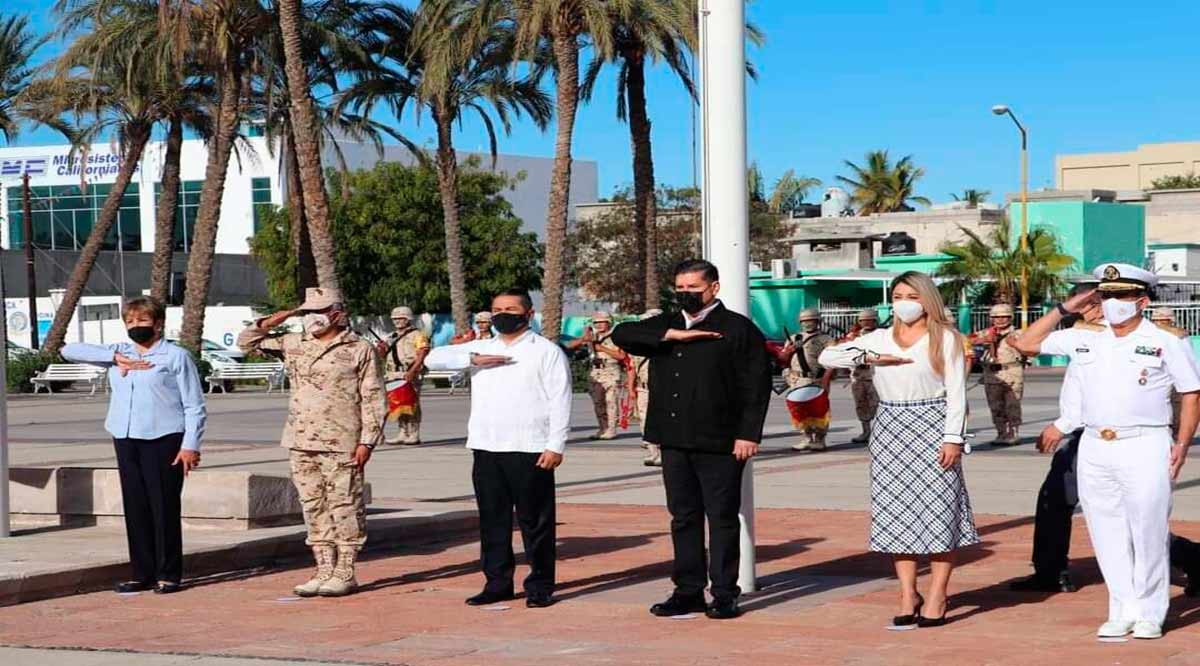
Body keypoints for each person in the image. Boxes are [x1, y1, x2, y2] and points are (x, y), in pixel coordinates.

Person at [1010, 263, 1200, 640]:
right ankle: (1122, 609)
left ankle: (1150, 612)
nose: (1113, 302)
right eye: (1107, 295)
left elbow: (1191, 394)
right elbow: (1025, 342)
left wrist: (1181, 444)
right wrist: (1066, 308)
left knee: (1147, 531)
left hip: (1145, 443)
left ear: (1142, 301)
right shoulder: (1086, 337)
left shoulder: (1165, 340)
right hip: (1096, 445)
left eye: (1122, 295)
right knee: (1106, 531)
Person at [611, 259, 772, 620]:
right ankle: (688, 591)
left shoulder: (737, 328)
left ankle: (725, 593)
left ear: (714, 288)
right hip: (674, 438)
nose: (685, 294)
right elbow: (622, 334)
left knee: (722, 518)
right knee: (683, 517)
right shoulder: (666, 323)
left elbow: (756, 385)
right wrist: (673, 336)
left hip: (721, 441)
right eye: (680, 288)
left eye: (693, 289)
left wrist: (748, 434)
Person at [819, 271, 978, 628]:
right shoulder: (878, 338)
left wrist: (953, 438)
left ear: (927, 300)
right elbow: (828, 356)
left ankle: (937, 594)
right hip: (890, 425)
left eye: (912, 296)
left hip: (933, 423)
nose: (904, 303)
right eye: (898, 296)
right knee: (896, 512)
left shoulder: (946, 338)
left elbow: (957, 393)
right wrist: (869, 357)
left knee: (940, 510)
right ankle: (908, 593)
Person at [424, 289, 572, 608]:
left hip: (531, 448)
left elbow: (561, 400)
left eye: (510, 309)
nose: (503, 314)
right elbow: (432, 358)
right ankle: (497, 583)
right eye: (497, 309)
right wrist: (471, 359)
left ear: (529, 314)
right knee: (493, 520)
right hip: (487, 446)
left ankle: (540, 585)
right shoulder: (482, 347)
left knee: (536, 522)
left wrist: (555, 445)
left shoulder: (546, 351)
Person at [238, 288, 387, 598]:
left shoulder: (359, 348)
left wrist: (368, 442)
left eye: (318, 311)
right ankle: (323, 568)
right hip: (301, 439)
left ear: (336, 313)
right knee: (312, 505)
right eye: (307, 312)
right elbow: (246, 341)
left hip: (342, 440)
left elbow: (373, 397)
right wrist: (286, 315)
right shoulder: (294, 343)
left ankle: (345, 570)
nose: (311, 318)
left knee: (345, 505)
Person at [62, 296, 206, 595]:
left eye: (142, 320)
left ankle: (168, 574)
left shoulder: (175, 356)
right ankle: (142, 573)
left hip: (164, 438)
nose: (135, 326)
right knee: (135, 506)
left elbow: (194, 405)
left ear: (158, 324)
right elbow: (68, 350)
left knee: (163, 507)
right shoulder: (119, 352)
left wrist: (190, 445)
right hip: (126, 437)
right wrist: (115, 358)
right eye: (130, 321)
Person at [1010, 285, 1105, 593]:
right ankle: (1050, 572)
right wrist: (1063, 310)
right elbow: (1025, 343)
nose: (1093, 309)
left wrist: (1062, 424)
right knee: (1054, 499)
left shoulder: (1130, 336)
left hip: (1104, 435)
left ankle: (1189, 558)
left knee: (1120, 514)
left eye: (1098, 302)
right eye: (1086, 304)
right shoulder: (1079, 335)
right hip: (1082, 435)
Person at [565, 311, 627, 440]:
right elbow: (569, 346)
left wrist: (602, 348)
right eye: (596, 322)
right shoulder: (592, 336)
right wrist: (584, 339)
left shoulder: (616, 337)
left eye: (602, 322)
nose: (598, 325)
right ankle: (602, 428)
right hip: (596, 372)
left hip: (611, 371)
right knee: (598, 403)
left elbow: (621, 356)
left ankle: (611, 429)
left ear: (609, 322)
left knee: (611, 402)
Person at [970, 304, 1025, 446]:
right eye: (996, 317)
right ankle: (1001, 433)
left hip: (1011, 372)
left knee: (1012, 405)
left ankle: (1013, 433)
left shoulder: (1018, 334)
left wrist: (1015, 344)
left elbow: (1030, 349)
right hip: (992, 374)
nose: (1000, 320)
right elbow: (966, 341)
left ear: (1010, 318)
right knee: (996, 406)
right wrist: (982, 340)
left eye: (1004, 317)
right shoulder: (985, 333)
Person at [781, 308, 834, 452]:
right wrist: (789, 351)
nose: (807, 323)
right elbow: (783, 359)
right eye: (804, 321)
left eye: (811, 320)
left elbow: (832, 361)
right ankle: (807, 438)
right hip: (797, 379)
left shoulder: (826, 339)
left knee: (819, 410)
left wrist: (826, 378)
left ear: (818, 321)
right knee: (800, 411)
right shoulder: (793, 338)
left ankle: (820, 439)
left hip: (817, 379)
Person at [382, 306, 429, 446]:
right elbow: (383, 354)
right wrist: (382, 349)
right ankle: (402, 432)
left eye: (401, 318)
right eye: (395, 319)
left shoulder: (417, 335)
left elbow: (422, 353)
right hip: (394, 373)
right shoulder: (391, 336)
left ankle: (414, 433)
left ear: (408, 319)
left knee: (412, 403)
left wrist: (413, 371)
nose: (397, 321)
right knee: (398, 403)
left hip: (410, 372)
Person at [627, 309, 664, 466]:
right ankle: (653, 452)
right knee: (645, 420)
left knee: (662, 419)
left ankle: (663, 453)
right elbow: (632, 366)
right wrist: (631, 387)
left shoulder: (669, 342)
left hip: (663, 388)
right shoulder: (638, 344)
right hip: (643, 387)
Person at [841, 308, 880, 444]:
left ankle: (878, 432)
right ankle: (866, 431)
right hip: (858, 376)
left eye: (870, 320)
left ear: (875, 321)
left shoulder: (882, 336)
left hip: (876, 375)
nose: (867, 323)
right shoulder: (854, 337)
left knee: (877, 404)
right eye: (864, 321)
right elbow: (845, 354)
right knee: (861, 404)